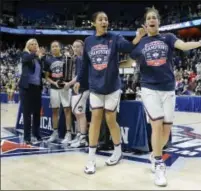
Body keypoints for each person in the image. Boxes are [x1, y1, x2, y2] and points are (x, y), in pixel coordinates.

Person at [130, 7, 201, 187]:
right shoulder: (141, 42)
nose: (152, 20)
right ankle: (159, 163)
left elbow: (184, 46)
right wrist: (138, 37)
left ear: (159, 22)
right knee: (156, 126)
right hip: (149, 88)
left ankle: (155, 154)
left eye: (154, 17)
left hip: (169, 88)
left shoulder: (169, 37)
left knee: (165, 130)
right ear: (145, 23)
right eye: (148, 18)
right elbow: (130, 52)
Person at [74, 11, 144, 174]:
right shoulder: (88, 41)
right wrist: (79, 80)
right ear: (94, 23)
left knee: (111, 120)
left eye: (106, 19)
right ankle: (91, 159)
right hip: (95, 87)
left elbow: (128, 47)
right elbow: (85, 65)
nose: (104, 21)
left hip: (112, 86)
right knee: (96, 119)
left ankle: (118, 151)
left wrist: (138, 37)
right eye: (100, 19)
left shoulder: (115, 37)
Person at [45, 41, 73, 144]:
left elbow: (71, 71)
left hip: (65, 87)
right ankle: (55, 133)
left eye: (56, 46)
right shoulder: (48, 60)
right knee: (55, 111)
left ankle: (68, 134)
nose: (55, 48)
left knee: (67, 110)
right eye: (53, 46)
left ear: (60, 47)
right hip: (54, 88)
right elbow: (47, 77)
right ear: (51, 49)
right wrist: (54, 83)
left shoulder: (66, 58)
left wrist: (68, 83)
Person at [19, 38, 45, 145]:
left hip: (37, 88)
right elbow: (27, 58)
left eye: (36, 44)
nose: (34, 45)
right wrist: (37, 54)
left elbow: (40, 73)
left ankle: (36, 134)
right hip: (27, 88)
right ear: (28, 46)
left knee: (36, 113)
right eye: (32, 44)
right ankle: (27, 137)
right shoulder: (25, 55)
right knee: (27, 113)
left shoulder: (37, 59)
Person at [70, 40, 89, 148]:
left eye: (78, 46)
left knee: (81, 114)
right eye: (74, 47)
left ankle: (83, 139)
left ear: (83, 47)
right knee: (77, 113)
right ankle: (79, 135)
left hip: (83, 88)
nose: (76, 49)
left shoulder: (83, 59)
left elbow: (79, 76)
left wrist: (68, 84)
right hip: (77, 89)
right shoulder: (77, 59)